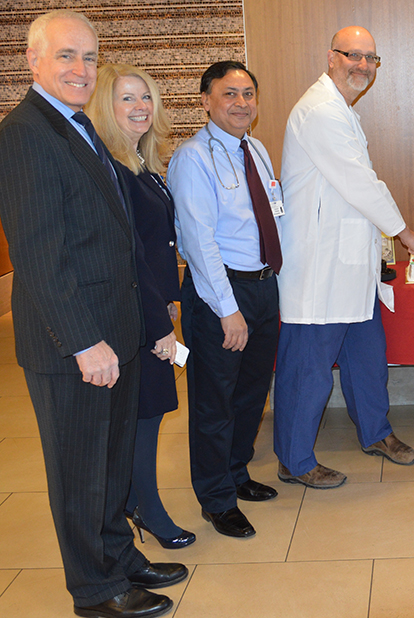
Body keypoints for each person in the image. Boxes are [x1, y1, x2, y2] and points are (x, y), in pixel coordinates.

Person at [0, 11, 186, 618]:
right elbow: (38, 254)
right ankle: (95, 591)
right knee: (80, 474)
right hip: (75, 344)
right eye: (66, 56)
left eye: (88, 57)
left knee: (109, 464)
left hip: (118, 332)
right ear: (34, 61)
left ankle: (121, 559)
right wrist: (83, 341)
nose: (80, 69)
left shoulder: (77, 127)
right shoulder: (26, 133)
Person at [274, 26, 414, 488]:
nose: (362, 65)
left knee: (368, 361)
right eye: (353, 55)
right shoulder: (320, 110)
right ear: (331, 57)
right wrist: (404, 232)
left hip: (352, 268)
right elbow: (360, 183)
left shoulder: (342, 111)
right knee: (309, 373)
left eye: (370, 58)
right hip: (319, 273)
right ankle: (294, 459)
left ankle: (376, 434)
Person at [167, 61, 281, 538]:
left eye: (248, 94)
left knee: (252, 393)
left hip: (261, 286)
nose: (241, 103)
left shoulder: (256, 149)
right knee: (215, 402)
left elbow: (273, 217)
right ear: (206, 101)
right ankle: (216, 499)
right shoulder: (192, 158)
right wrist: (227, 309)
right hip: (220, 293)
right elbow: (198, 241)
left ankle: (237, 473)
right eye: (229, 94)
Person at [85, 64, 195, 547]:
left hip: (153, 310)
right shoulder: (113, 171)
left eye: (146, 98)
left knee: (148, 411)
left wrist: (169, 305)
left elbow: (158, 247)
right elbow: (131, 260)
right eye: (126, 99)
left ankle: (137, 500)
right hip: (135, 320)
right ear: (104, 108)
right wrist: (159, 325)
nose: (140, 108)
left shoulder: (140, 164)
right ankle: (144, 507)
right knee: (146, 413)